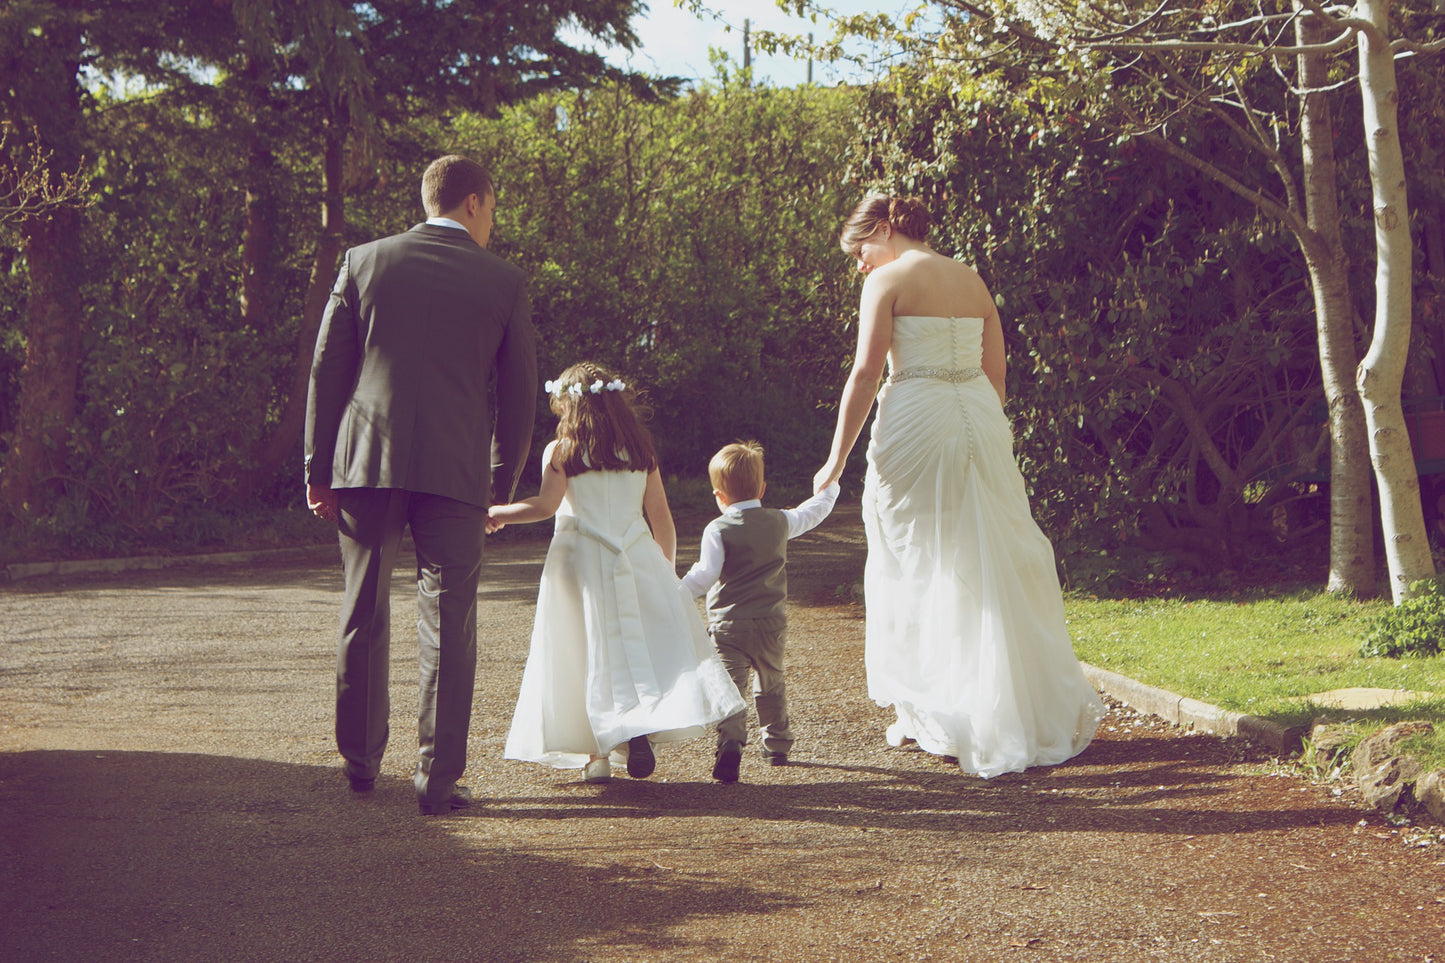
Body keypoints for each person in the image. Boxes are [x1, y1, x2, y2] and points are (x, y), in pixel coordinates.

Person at [812, 192, 1104, 778]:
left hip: (915, 416)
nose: (861, 264)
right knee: (987, 551)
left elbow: (868, 372)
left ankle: (941, 712)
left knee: (919, 556)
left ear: (887, 228)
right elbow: (996, 373)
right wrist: (977, 426)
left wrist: (834, 460)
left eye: (861, 248)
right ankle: (1006, 706)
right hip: (977, 416)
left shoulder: (888, 280)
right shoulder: (973, 279)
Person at [304, 155, 537, 815]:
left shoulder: (363, 261)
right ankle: (437, 781)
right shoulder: (503, 281)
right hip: (456, 471)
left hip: (365, 463)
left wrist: (319, 470)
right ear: (472, 202)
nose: (492, 222)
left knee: (362, 608)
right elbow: (518, 396)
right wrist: (498, 482)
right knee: (448, 619)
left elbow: (328, 372)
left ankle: (358, 762)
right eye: (492, 209)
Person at [489, 363, 745, 784]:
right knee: (633, 648)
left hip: (579, 561)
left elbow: (544, 507)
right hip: (635, 556)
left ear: (569, 405)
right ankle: (636, 726)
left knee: (584, 650)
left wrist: (499, 513)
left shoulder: (562, 451)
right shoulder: (639, 451)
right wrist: (664, 573)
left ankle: (598, 756)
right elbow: (661, 518)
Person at [681, 441, 839, 783]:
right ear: (763, 488)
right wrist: (830, 484)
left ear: (718, 495)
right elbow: (814, 511)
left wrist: (674, 594)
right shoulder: (780, 521)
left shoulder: (717, 529)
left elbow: (705, 576)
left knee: (730, 687)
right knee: (771, 681)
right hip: (771, 623)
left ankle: (732, 742)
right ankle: (777, 743)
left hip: (729, 625)